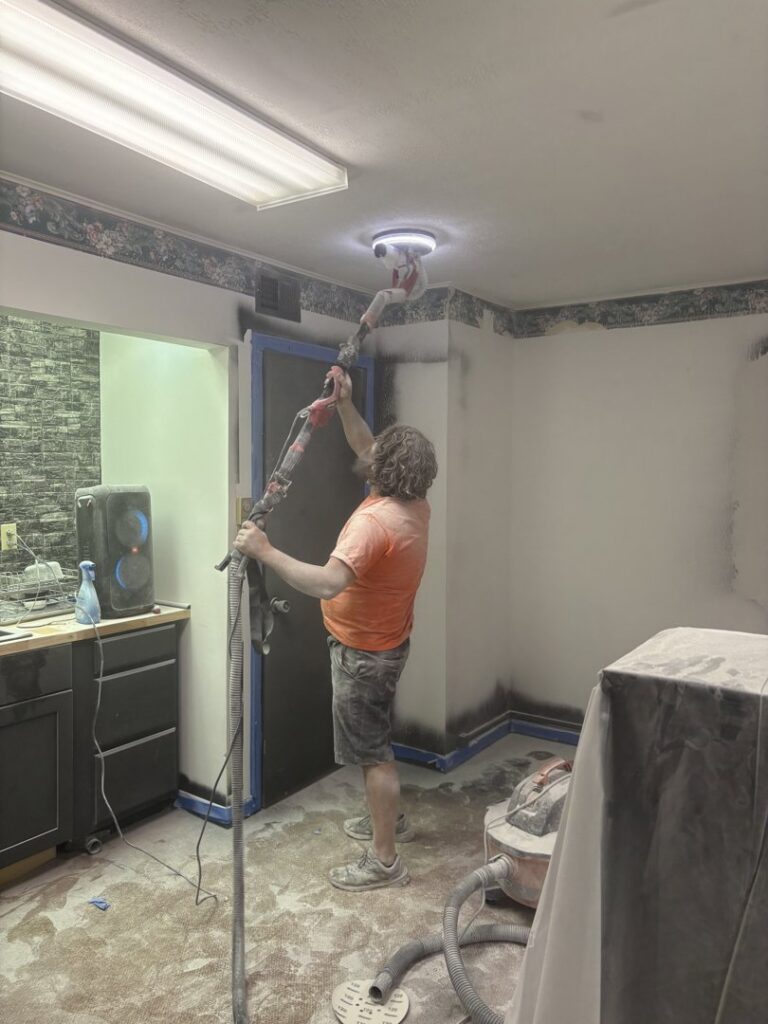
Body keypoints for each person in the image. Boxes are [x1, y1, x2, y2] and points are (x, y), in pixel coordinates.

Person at [234, 369, 437, 891]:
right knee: (378, 744)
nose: (370, 454)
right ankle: (388, 819)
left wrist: (265, 550)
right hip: (386, 644)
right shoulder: (414, 503)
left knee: (373, 756)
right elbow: (368, 445)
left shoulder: (376, 525)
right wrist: (344, 405)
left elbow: (327, 584)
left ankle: (385, 861)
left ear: (383, 471)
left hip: (363, 655)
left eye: (378, 455)